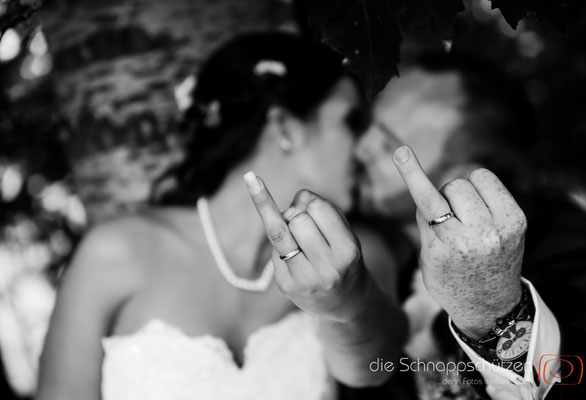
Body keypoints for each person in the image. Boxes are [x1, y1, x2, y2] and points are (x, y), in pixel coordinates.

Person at [36, 32, 407, 400]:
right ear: (285, 129)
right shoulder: (115, 253)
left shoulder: (359, 255)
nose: (367, 147)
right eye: (352, 121)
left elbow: (374, 370)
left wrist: (348, 303)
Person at [355, 50, 586, 399]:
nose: (360, 148)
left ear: (460, 178)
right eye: (368, 125)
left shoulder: (565, 243)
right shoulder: (386, 256)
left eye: (387, 143)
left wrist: (493, 311)